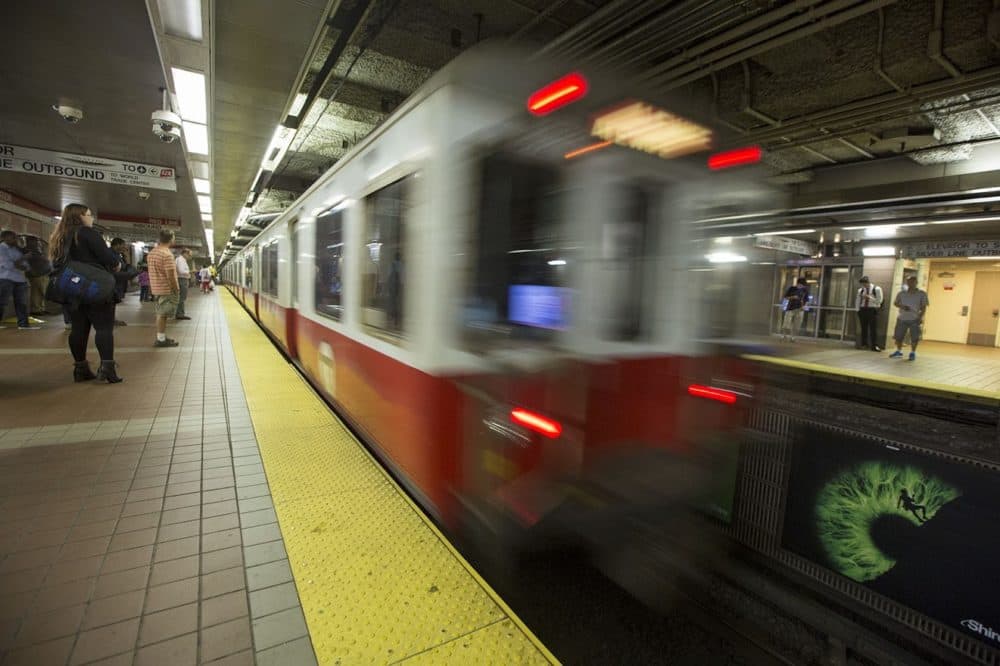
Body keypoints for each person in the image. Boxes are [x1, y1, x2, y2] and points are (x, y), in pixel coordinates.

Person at [48, 204, 123, 382]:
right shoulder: (87, 233)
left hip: (72, 290)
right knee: (103, 328)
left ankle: (80, 369)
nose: (91, 218)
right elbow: (108, 258)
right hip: (94, 287)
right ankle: (107, 368)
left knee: (78, 329)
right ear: (80, 216)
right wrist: (117, 264)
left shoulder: (60, 236)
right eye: (89, 215)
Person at [0, 230, 39, 330]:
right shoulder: (2, 248)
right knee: (2, 301)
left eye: (15, 237)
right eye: (12, 237)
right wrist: (22, 260)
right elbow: (8, 265)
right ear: (4, 238)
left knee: (22, 302)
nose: (15, 239)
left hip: (20, 279)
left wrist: (22, 263)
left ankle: (23, 324)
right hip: (5, 278)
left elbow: (26, 266)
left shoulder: (17, 249)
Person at [148, 230, 180, 347]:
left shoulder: (152, 253)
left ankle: (161, 337)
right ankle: (161, 340)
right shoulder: (167, 254)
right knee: (163, 314)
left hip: (156, 288)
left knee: (161, 314)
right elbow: (170, 275)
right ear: (171, 239)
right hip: (166, 289)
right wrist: (176, 289)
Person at [890, 275, 928, 361]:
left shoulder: (922, 294)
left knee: (914, 337)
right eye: (909, 281)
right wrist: (902, 306)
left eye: (912, 281)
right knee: (898, 336)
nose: (910, 283)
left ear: (916, 283)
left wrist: (920, 317)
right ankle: (899, 351)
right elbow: (895, 303)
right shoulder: (901, 293)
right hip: (902, 318)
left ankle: (913, 352)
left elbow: (924, 307)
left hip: (914, 319)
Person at [109, 238, 134, 327]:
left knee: (113, 302)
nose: (124, 247)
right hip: (112, 282)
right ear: (117, 244)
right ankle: (110, 320)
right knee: (110, 302)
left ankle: (112, 319)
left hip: (118, 281)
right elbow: (115, 267)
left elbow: (124, 266)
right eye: (123, 245)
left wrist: (126, 257)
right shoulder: (109, 254)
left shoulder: (118, 254)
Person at [855, 276, 883, 351]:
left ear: (867, 282)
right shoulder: (860, 290)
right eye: (862, 285)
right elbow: (857, 300)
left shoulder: (876, 289)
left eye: (864, 284)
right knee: (863, 328)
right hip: (863, 309)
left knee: (873, 328)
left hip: (872, 309)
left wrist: (869, 298)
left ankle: (874, 345)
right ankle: (864, 344)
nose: (863, 286)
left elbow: (879, 301)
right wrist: (858, 310)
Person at [780, 277, 809, 341]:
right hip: (790, 308)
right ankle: (784, 336)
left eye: (803, 285)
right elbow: (785, 297)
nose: (802, 286)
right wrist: (793, 297)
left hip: (800, 309)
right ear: (798, 284)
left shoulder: (805, 290)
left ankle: (793, 337)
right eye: (801, 285)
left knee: (797, 324)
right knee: (786, 323)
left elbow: (806, 300)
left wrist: (804, 306)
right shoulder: (792, 288)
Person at [174, 248, 192, 320]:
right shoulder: (181, 260)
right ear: (185, 253)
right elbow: (181, 271)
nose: (190, 257)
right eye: (189, 255)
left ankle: (179, 313)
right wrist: (190, 271)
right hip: (182, 280)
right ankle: (180, 314)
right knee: (182, 297)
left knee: (181, 297)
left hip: (182, 279)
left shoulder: (180, 259)